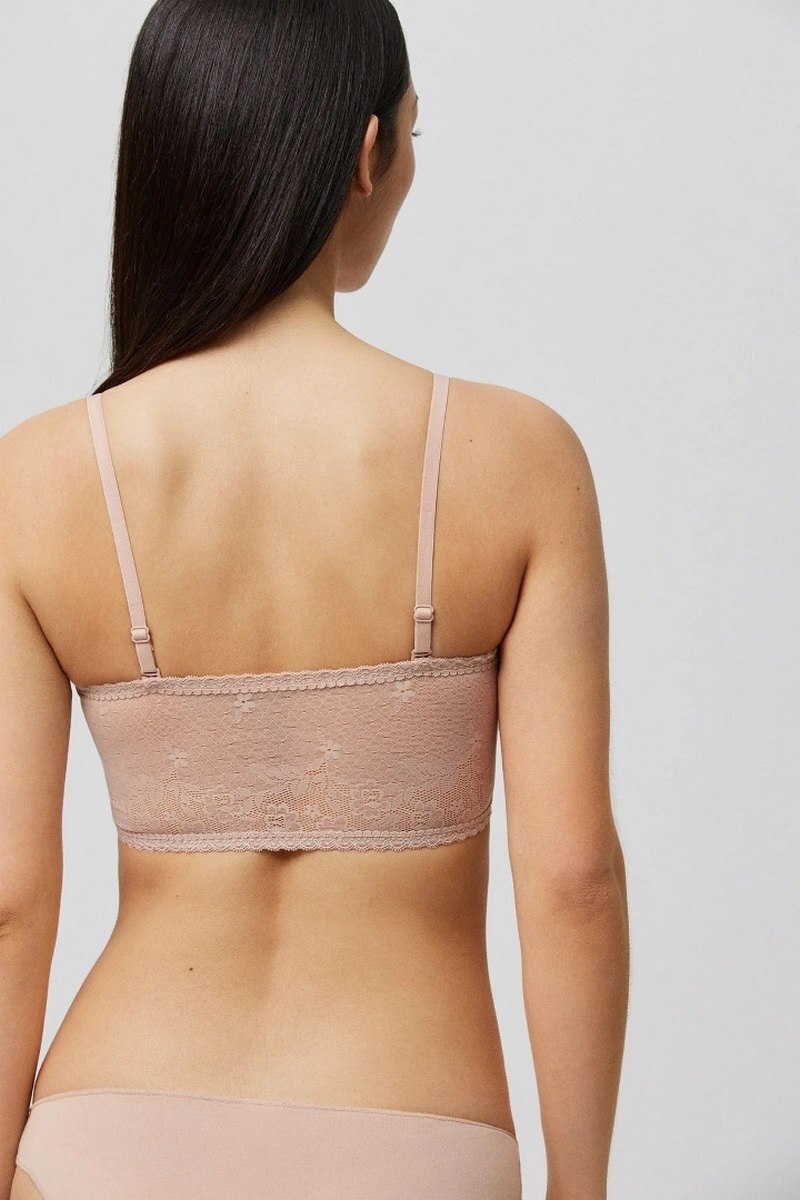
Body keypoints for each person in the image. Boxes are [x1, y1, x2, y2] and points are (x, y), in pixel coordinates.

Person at [0, 2, 629, 1197]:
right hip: (412, 1136)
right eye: (412, 134)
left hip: (107, 1138)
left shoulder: (34, 480)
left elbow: (7, 902)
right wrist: (581, 1188)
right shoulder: (516, 459)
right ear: (365, 153)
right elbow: (571, 881)